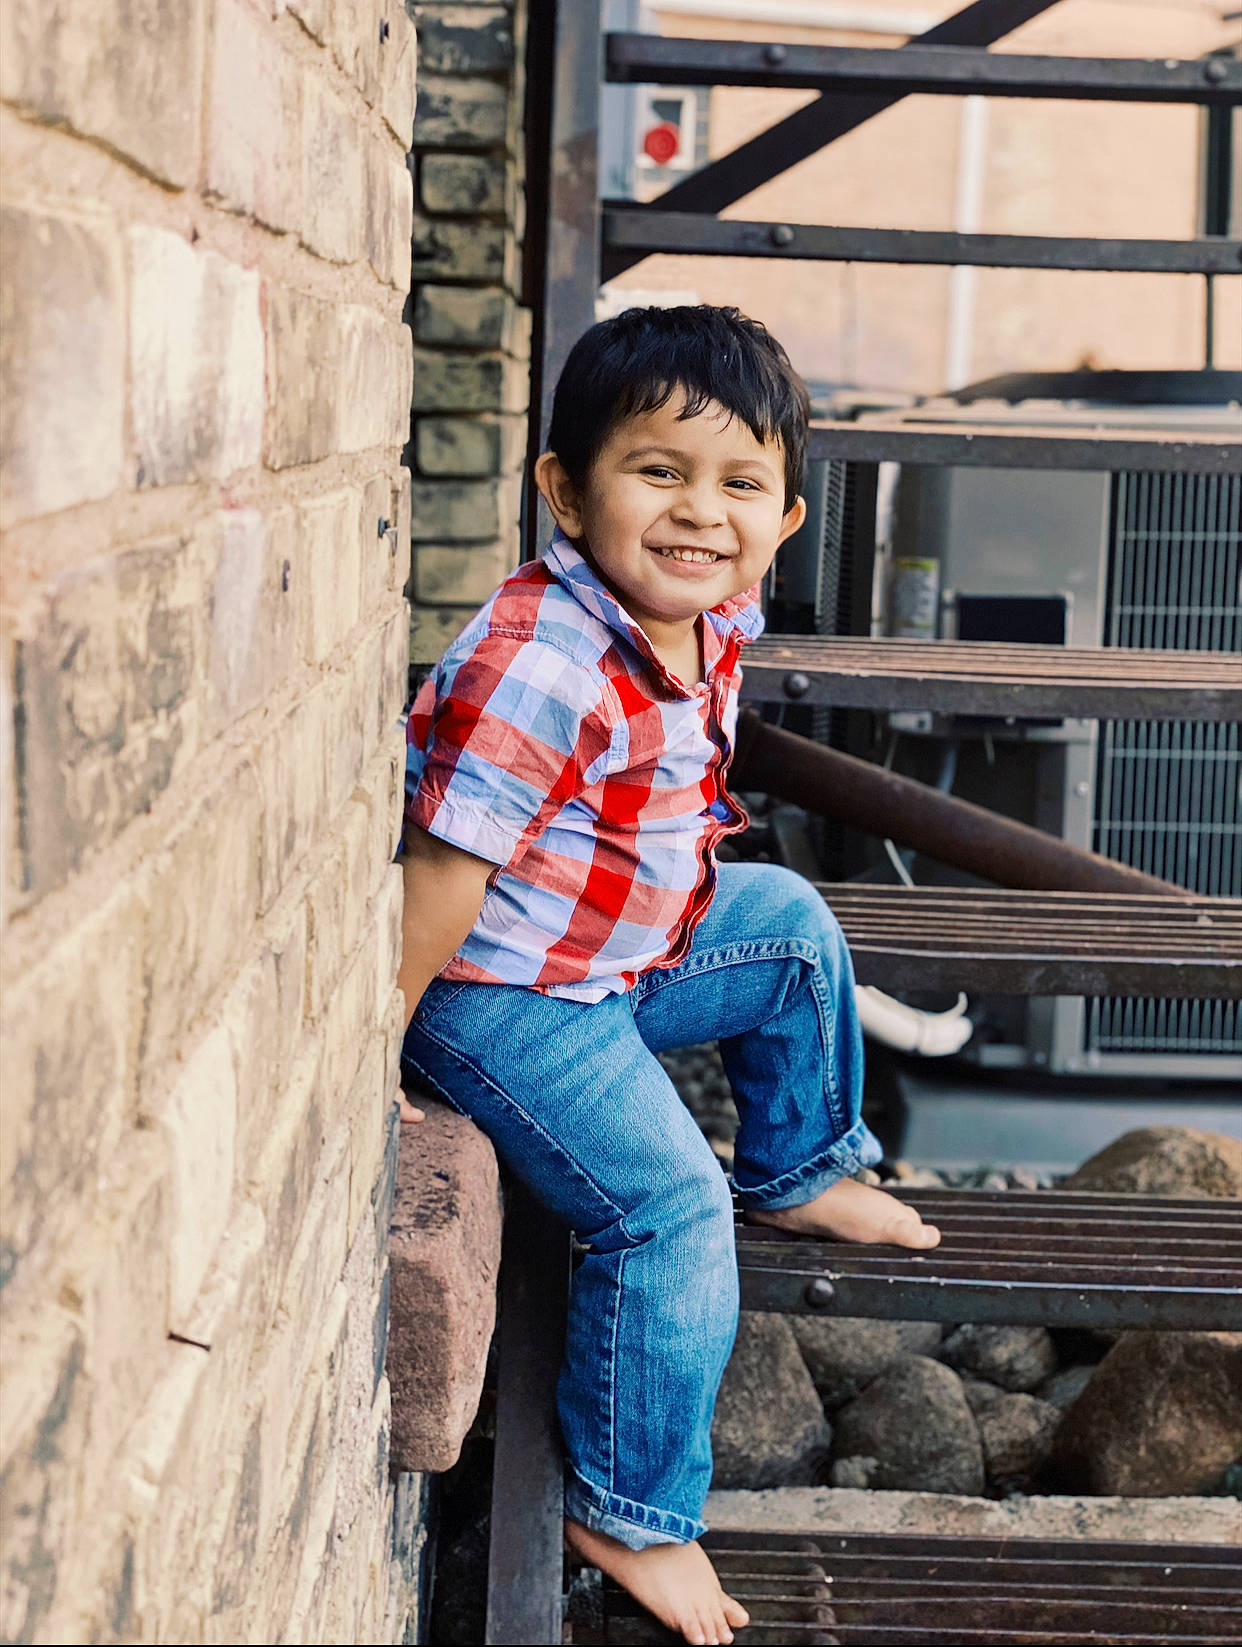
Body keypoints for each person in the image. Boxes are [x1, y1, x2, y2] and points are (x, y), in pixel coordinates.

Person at [396, 305, 939, 1646]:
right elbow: (441, 877)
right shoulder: (544, 660)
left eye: (739, 485)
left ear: (787, 519)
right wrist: (377, 1058)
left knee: (787, 922)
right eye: (657, 473)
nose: (700, 513)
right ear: (564, 493)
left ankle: (804, 1162)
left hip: (619, 952)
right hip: (503, 996)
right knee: (665, 1209)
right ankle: (630, 1508)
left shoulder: (705, 603)